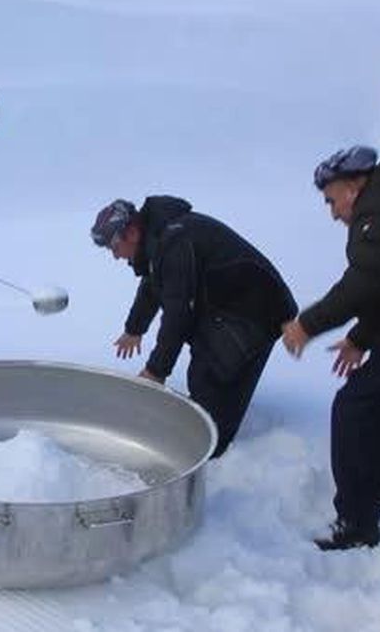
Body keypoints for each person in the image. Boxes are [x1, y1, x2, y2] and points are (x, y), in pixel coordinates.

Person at [280, 145, 380, 551]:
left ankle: (357, 523)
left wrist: (306, 325)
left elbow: (366, 282)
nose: (332, 212)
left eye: (332, 199)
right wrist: (360, 337)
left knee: (355, 413)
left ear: (354, 184)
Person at [91, 196, 297, 458]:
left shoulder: (174, 243)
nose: (115, 256)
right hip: (227, 305)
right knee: (202, 369)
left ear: (131, 232)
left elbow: (178, 314)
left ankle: (214, 451)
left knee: (217, 380)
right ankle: (206, 421)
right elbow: (154, 282)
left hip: (258, 312)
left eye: (114, 246)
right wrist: (135, 328)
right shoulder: (159, 237)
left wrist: (156, 371)